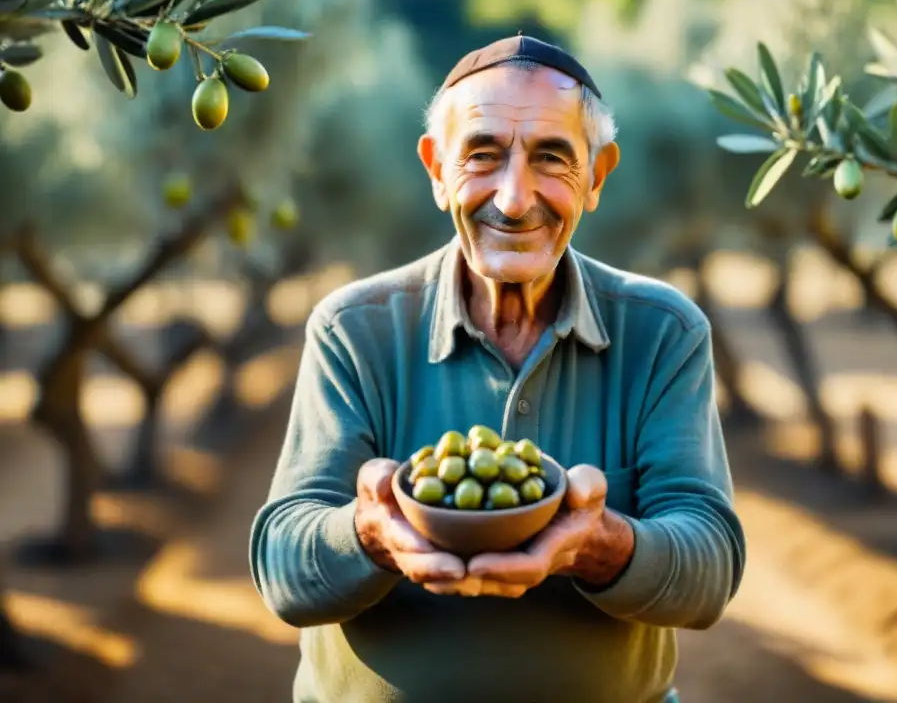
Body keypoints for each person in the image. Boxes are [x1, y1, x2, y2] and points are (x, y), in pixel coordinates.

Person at [250, 34, 746, 703]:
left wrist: (600, 544)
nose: (514, 199)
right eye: (482, 155)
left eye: (552, 158)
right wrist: (369, 534)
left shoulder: (662, 331)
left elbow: (710, 568)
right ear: (436, 170)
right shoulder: (355, 330)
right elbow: (282, 569)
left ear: (597, 177)